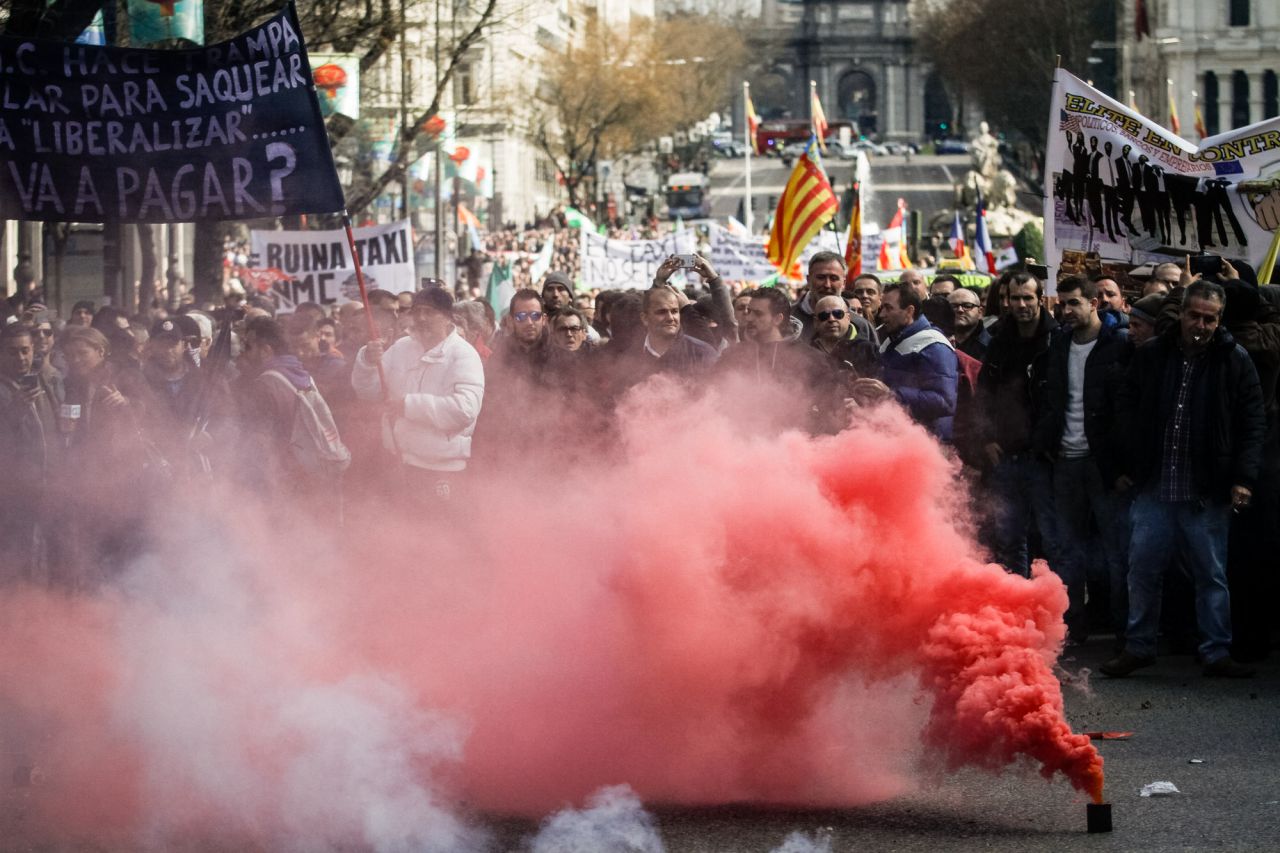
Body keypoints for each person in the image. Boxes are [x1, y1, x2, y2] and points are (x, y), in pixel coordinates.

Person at [1102, 281, 1265, 678]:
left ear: (1219, 320)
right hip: (1156, 486)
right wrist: (1129, 458)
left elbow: (1252, 422)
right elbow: (1124, 403)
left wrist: (1243, 477)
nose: (1201, 324)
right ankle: (1139, 646)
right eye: (1195, 315)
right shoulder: (1154, 353)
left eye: (1210, 318)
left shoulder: (1234, 359)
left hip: (1205, 491)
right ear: (1182, 313)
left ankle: (1215, 651)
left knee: (1211, 574)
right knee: (1142, 568)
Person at [1033, 276, 1131, 646]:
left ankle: (1124, 631)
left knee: (1116, 551)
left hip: (1104, 464)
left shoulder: (1118, 344)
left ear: (1094, 303)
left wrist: (1122, 467)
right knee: (1067, 550)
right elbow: (1050, 398)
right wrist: (1045, 441)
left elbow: (1127, 410)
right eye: (1063, 304)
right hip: (1066, 461)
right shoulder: (1059, 344)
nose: (1067, 311)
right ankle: (1073, 628)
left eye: (1074, 303)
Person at [353, 288, 483, 505]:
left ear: (447, 317)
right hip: (397, 462)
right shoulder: (401, 348)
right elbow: (369, 391)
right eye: (418, 311)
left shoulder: (463, 354)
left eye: (430, 312)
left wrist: (408, 405)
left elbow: (465, 410)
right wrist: (367, 361)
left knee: (436, 533)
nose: (422, 318)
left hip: (441, 469)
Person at [975, 271, 1059, 577]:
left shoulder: (1055, 339)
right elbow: (984, 393)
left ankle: (1062, 609)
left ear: (1040, 299)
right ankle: (1018, 604)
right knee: (1010, 537)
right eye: (1015, 298)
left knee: (1052, 538)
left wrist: (1045, 445)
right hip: (1005, 454)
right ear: (1006, 300)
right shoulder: (999, 339)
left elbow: (1058, 399)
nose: (1021, 304)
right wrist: (986, 439)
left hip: (1042, 456)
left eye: (1028, 297)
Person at [0, 323, 63, 582]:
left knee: (48, 559)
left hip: (49, 487)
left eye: (25, 351)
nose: (21, 358)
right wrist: (13, 412)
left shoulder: (46, 382)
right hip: (14, 495)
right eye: (13, 352)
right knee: (19, 561)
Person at [877, 281, 958, 439]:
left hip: (927, 444)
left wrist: (892, 394)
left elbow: (944, 402)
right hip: (897, 440)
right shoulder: (890, 340)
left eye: (888, 308)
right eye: (882, 308)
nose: (881, 315)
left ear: (909, 311)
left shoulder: (933, 345)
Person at [793, 252, 875, 343]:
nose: (827, 285)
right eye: (821, 277)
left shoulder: (861, 326)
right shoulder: (789, 318)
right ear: (808, 280)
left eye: (834, 278)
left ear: (843, 283)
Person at [810, 294, 878, 378]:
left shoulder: (868, 350)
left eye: (838, 314)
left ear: (848, 318)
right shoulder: (806, 352)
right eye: (824, 316)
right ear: (815, 322)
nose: (831, 319)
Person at [949, 287, 991, 359]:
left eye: (967, 306)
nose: (960, 310)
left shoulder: (992, 347)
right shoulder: (937, 341)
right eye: (953, 306)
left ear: (980, 312)